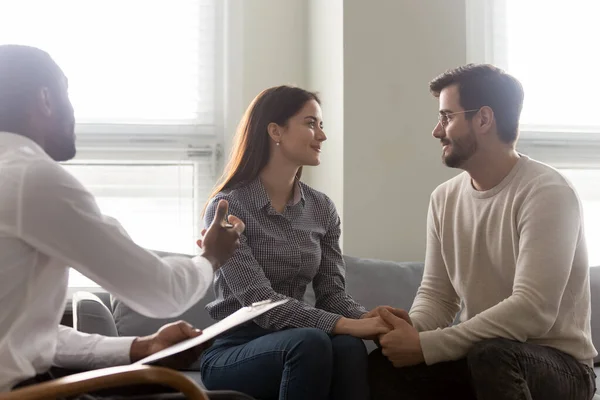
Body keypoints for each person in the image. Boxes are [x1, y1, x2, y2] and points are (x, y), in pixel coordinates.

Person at [0, 44, 245, 397]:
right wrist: (211, 256)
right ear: (45, 99)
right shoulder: (31, 178)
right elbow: (163, 292)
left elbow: (22, 337)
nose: (73, 112)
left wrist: (139, 348)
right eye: (67, 94)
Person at [368, 63, 598, 400]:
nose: (436, 130)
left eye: (447, 117)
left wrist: (428, 346)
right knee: (386, 365)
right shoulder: (443, 198)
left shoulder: (547, 191)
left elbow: (532, 309)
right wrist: (409, 332)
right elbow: (438, 296)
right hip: (485, 354)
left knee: (492, 355)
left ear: (484, 119)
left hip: (561, 366)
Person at [198, 85, 395, 400]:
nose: (322, 135)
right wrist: (345, 324)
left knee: (346, 346)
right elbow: (259, 302)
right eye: (311, 123)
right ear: (275, 131)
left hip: (300, 339)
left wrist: (366, 317)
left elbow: (332, 294)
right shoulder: (228, 207)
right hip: (235, 348)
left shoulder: (322, 208)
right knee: (312, 342)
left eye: (321, 125)